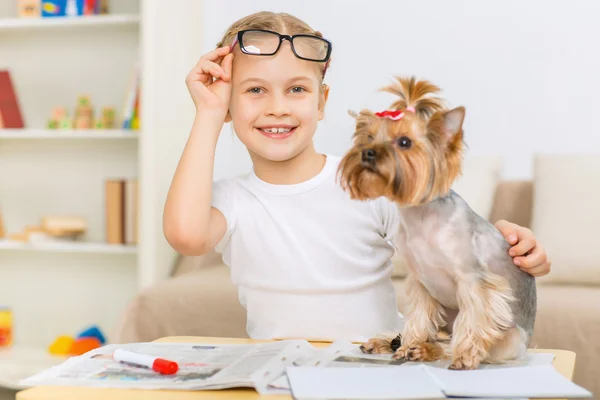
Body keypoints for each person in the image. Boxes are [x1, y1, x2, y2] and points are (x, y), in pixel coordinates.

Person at [163, 11, 551, 342]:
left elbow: (455, 240)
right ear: (229, 104)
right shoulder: (233, 199)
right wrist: (208, 113)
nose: (277, 107)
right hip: (282, 374)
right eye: (255, 90)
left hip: (373, 369)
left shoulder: (370, 184)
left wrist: (507, 245)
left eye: (296, 89)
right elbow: (186, 236)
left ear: (321, 103)